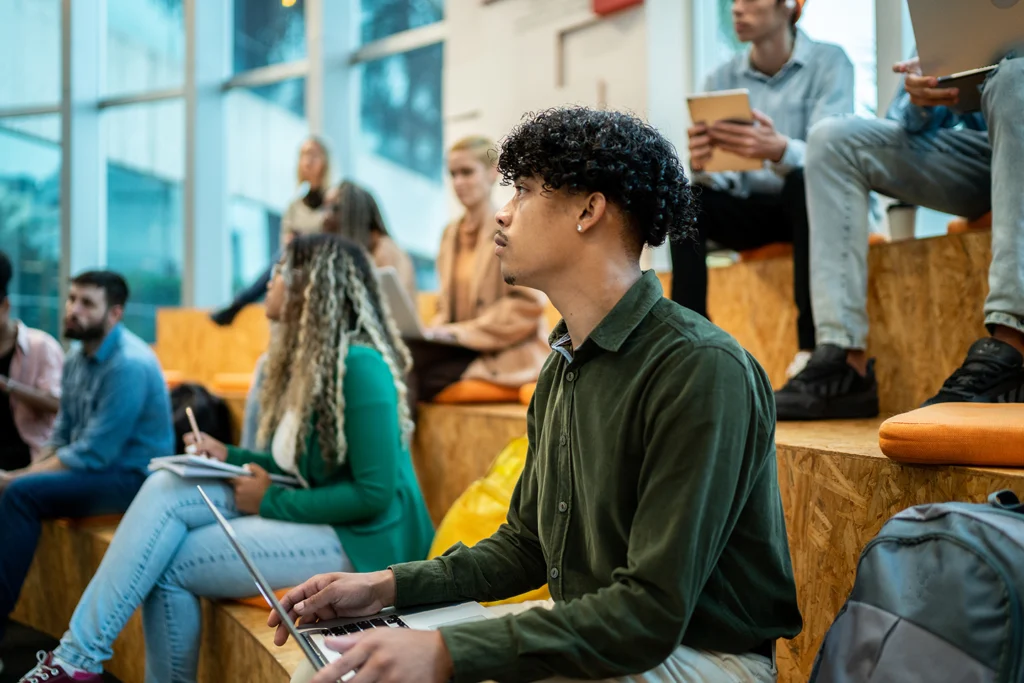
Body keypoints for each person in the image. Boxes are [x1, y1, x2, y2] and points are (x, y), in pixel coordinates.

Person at [277, 107, 802, 683]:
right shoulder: (562, 368)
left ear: (588, 210)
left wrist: (447, 652)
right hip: (599, 629)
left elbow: (650, 615)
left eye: (523, 191)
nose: (502, 213)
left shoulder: (700, 368)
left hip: (707, 656)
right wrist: (386, 586)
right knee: (347, 667)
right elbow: (526, 545)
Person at [17, 235, 435, 683]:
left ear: (307, 290)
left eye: (278, 274)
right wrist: (228, 453)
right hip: (322, 511)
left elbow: (373, 495)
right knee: (166, 484)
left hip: (368, 540)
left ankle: (76, 660)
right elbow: (303, 466)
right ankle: (76, 658)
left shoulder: (361, 366)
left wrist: (268, 501)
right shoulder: (307, 362)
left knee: (170, 564)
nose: (268, 284)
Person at [775, 52, 1024, 419]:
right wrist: (919, 96)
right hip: (982, 152)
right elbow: (900, 123)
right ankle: (843, 364)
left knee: (1013, 78)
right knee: (830, 139)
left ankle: (1012, 343)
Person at [670, 0, 854, 378]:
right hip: (752, 209)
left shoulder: (830, 62)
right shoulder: (719, 78)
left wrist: (779, 149)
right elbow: (722, 181)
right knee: (687, 199)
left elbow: (832, 158)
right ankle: (689, 344)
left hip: (812, 207)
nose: (737, 8)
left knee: (802, 183)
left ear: (789, 5)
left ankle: (811, 347)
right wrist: (706, 165)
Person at [0, 271, 174, 658]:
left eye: (86, 303)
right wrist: (16, 476)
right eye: (71, 298)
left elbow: (94, 453)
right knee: (16, 489)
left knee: (20, 496)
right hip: (98, 470)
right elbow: (61, 438)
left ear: (114, 313)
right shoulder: (78, 357)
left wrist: (15, 480)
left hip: (132, 480)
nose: (73, 309)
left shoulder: (129, 363)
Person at [409, 135, 549, 404]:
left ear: (491, 172)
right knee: (404, 354)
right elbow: (445, 309)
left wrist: (460, 332)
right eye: (452, 174)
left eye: (466, 172)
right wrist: (434, 332)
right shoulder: (449, 235)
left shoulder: (512, 228)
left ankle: (397, 441)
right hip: (463, 347)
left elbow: (526, 308)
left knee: (419, 375)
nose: (458, 182)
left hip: (507, 350)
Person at [211, 136, 332, 326]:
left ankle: (238, 303)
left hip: (324, 264)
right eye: (304, 155)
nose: (308, 161)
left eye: (314, 155)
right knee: (281, 258)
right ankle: (239, 303)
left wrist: (307, 240)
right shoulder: (294, 207)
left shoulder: (333, 202)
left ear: (325, 161)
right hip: (297, 263)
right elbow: (287, 242)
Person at [0, 250, 64, 472]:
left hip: (28, 455)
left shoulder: (41, 346)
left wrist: (8, 386)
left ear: (5, 307)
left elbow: (58, 403)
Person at [323, 180, 418, 303]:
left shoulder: (386, 251)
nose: (326, 216)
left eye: (335, 208)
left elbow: (394, 313)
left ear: (354, 213)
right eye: (324, 208)